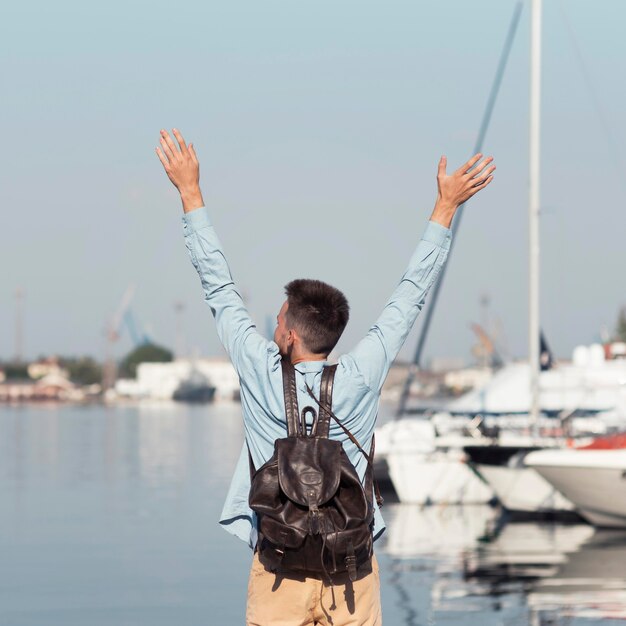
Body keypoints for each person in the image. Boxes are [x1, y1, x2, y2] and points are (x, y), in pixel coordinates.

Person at [156, 128, 495, 625]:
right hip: (350, 576)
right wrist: (444, 208)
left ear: (290, 336)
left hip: (278, 574)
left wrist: (190, 193)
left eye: (277, 320)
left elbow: (219, 287)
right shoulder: (362, 372)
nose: (271, 326)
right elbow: (409, 297)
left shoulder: (260, 370)